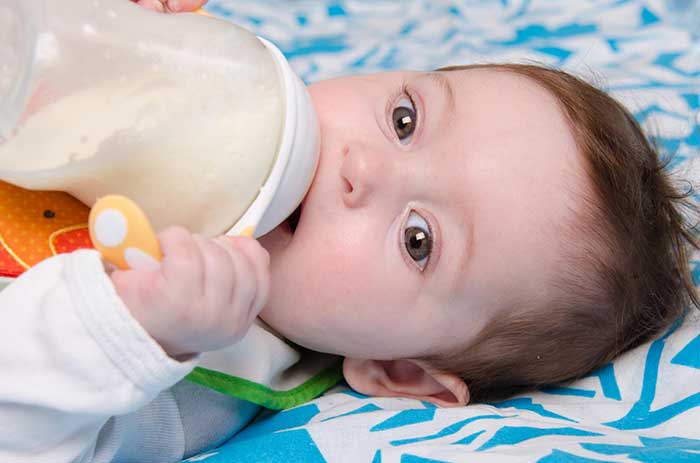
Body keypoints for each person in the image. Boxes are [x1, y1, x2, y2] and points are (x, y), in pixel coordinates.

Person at [2, 0, 698, 461]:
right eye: (404, 121)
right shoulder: (196, 98)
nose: (360, 168)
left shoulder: (209, 375)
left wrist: (127, 333)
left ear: (399, 372)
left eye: (417, 240)